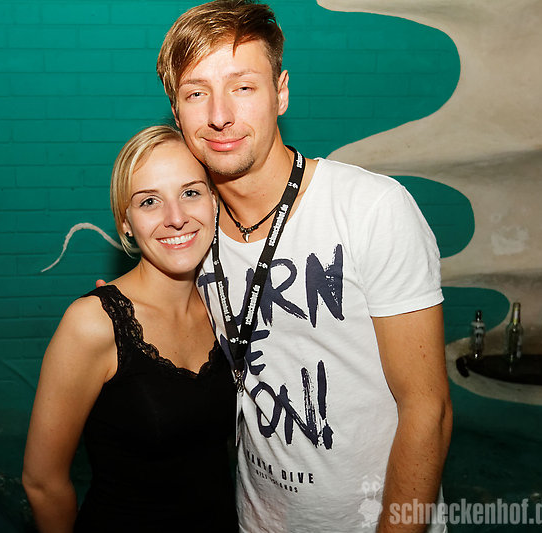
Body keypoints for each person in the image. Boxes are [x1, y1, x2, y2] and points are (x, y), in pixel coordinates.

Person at [156, 1, 453, 532]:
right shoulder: (189, 232)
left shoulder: (371, 209)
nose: (220, 114)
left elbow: (428, 409)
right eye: (196, 93)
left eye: (243, 87)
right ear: (177, 113)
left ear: (281, 92)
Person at [22, 125, 239, 533]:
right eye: (149, 201)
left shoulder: (227, 307)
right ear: (125, 222)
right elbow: (42, 484)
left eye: (190, 193)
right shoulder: (94, 323)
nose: (176, 218)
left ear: (214, 201)